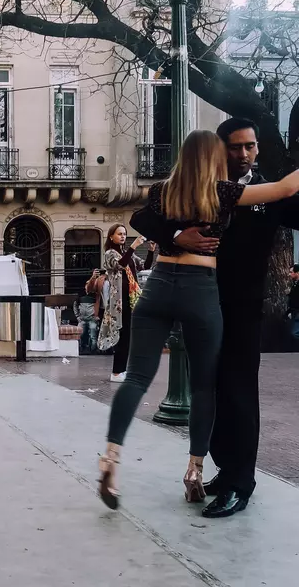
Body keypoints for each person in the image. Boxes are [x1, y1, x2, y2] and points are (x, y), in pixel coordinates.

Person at [98, 129, 299, 512]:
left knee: (137, 379)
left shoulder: (161, 191)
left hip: (158, 286)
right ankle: (193, 470)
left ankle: (110, 456)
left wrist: (174, 234)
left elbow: (142, 219)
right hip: (200, 289)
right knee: (204, 386)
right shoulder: (223, 192)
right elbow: (286, 188)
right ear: (214, 156)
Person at [97, 225, 153, 382]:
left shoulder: (127, 254)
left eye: (124, 234)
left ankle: (122, 370)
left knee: (128, 336)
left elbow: (145, 266)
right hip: (118, 303)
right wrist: (134, 246)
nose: (122, 236)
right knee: (121, 336)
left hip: (131, 298)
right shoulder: (110, 254)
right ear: (111, 236)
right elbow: (120, 264)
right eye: (119, 234)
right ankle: (116, 372)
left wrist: (150, 251)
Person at [288, 264, 299, 344]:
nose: (289, 274)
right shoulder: (295, 284)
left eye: (291, 272)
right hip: (294, 311)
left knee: (294, 333)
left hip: (298, 311)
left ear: (297, 273)